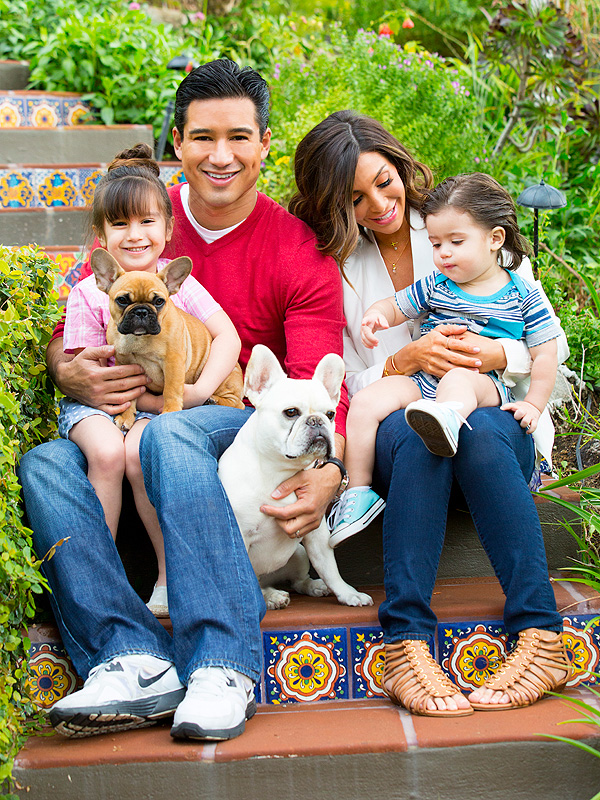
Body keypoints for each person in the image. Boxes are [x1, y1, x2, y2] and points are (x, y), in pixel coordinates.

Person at [18, 59, 348, 741]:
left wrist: (328, 468)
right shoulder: (140, 219)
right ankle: (127, 654)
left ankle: (222, 661)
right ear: (177, 142)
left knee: (169, 432)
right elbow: (74, 323)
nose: (219, 156)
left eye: (237, 137)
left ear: (264, 145)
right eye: (202, 138)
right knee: (47, 463)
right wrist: (70, 372)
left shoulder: (297, 249)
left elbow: (315, 382)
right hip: (130, 414)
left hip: (235, 416)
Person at [290, 110, 571, 717]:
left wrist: (494, 352)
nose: (378, 204)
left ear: (400, 166)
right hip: (401, 430)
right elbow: (336, 376)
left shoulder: (457, 219)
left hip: (493, 415)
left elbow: (549, 341)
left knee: (483, 433)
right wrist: (402, 362)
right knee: (421, 434)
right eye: (354, 198)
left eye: (384, 182)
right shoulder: (329, 265)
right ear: (331, 203)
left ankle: (542, 636)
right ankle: (405, 644)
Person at [59, 143, 243, 619]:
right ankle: (104, 580)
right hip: (109, 397)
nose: (135, 235)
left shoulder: (177, 280)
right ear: (102, 238)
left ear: (166, 229)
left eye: (147, 223)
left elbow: (221, 336)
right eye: (120, 224)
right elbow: (86, 366)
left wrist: (194, 395)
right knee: (106, 453)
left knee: (142, 455)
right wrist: (118, 400)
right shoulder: (87, 289)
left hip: (159, 398)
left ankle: (166, 576)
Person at [330, 172, 560, 544]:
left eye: (383, 181)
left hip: (478, 384)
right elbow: (396, 307)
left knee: (458, 383)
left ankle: (448, 418)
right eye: (437, 245)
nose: (443, 253)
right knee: (369, 401)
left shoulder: (508, 274)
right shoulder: (435, 282)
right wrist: (378, 319)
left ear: (494, 240)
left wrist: (509, 368)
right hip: (420, 385)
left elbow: (549, 348)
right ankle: (357, 491)